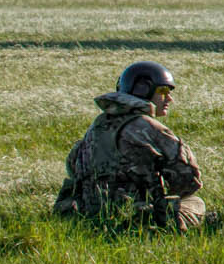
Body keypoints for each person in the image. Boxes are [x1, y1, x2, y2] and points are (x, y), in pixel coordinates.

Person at [54, 60, 205, 230]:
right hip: (135, 214)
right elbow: (190, 180)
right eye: (163, 91)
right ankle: (153, 230)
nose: (169, 98)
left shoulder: (97, 125)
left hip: (89, 212)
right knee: (194, 203)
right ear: (143, 90)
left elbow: (72, 167)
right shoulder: (148, 126)